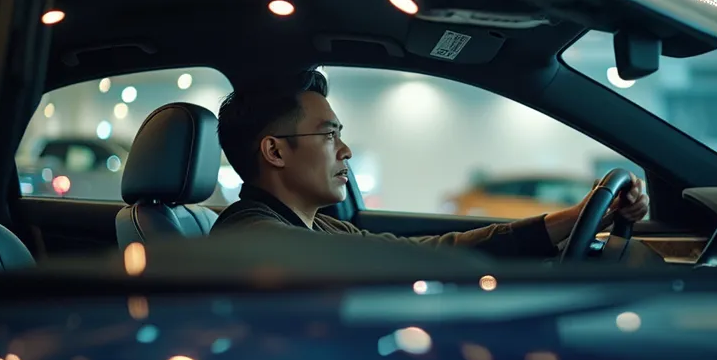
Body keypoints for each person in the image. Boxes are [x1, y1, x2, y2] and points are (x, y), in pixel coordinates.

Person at [211, 70, 648, 259]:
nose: (345, 151)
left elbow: (419, 253)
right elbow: (401, 260)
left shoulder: (317, 226)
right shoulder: (255, 235)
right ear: (275, 152)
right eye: (329, 135)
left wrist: (574, 218)